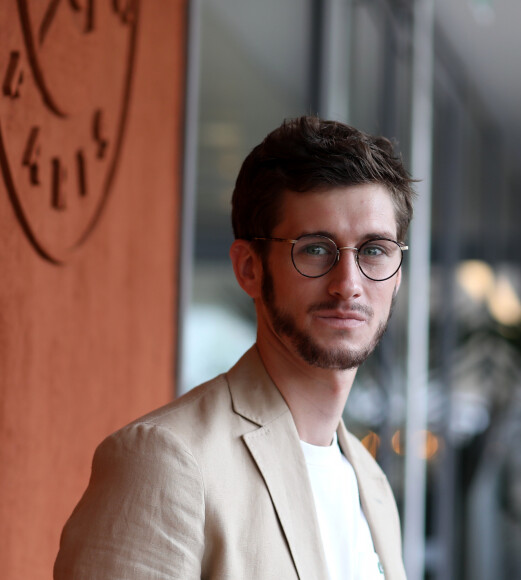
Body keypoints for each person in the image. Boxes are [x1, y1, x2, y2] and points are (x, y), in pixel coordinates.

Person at [54, 116, 415, 579]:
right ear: (249, 268)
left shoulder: (373, 484)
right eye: (316, 249)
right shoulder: (167, 460)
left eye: (374, 250)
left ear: (397, 272)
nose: (349, 285)